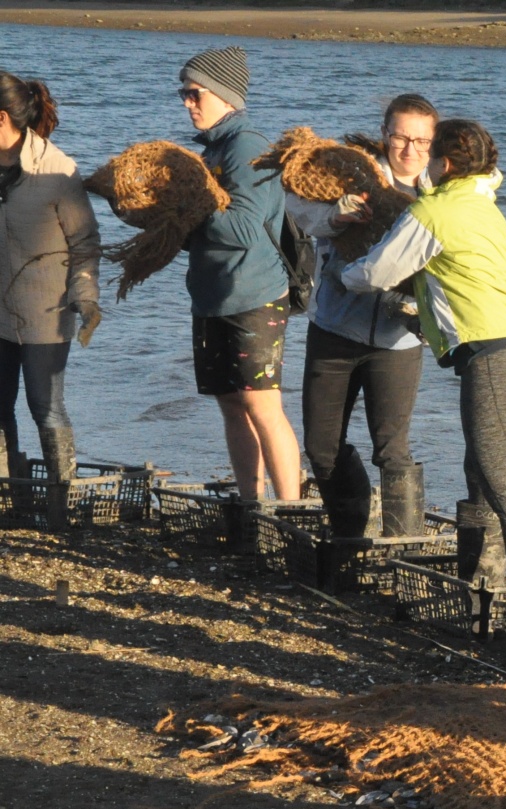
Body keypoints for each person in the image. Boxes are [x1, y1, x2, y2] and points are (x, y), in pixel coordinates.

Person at [341, 118, 506, 588]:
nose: (423, 162)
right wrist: (423, 314)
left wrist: (341, 275)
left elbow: (376, 272)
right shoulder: (486, 207)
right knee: (483, 470)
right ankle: (484, 580)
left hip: (494, 359)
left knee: (502, 484)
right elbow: (482, 275)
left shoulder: (434, 213)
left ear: (446, 163)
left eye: (430, 153)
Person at [284, 93, 437, 539]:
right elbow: (296, 207)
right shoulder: (355, 173)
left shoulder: (441, 194)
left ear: (434, 144)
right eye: (400, 137)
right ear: (385, 133)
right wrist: (336, 215)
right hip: (333, 328)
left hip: (400, 342)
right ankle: (349, 537)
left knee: (392, 452)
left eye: (422, 140)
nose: (409, 149)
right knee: (320, 446)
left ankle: (403, 548)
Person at [178, 46, 303, 501]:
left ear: (226, 96)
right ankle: (252, 508)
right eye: (183, 93)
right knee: (232, 405)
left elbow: (245, 229)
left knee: (263, 406)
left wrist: (186, 202)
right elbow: (201, 231)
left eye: (195, 93)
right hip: (213, 295)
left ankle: (291, 513)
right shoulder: (216, 148)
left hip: (253, 296)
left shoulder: (246, 145)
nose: (188, 102)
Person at [0, 70, 98, 505]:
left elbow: (86, 243)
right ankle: (10, 501)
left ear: (2, 118)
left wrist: (86, 297)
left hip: (45, 314)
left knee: (46, 407)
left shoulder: (57, 171)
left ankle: (62, 506)